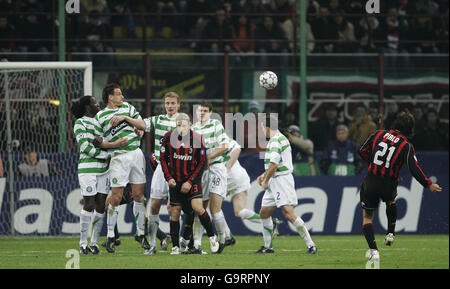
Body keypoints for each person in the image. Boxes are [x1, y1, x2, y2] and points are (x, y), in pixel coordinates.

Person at [358, 110, 442, 263]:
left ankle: (374, 251)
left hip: (371, 180)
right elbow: (414, 168)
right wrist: (428, 184)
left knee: (367, 218)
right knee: (391, 201)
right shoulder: (406, 145)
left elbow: (361, 150)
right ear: (410, 128)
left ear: (396, 123)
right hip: (388, 183)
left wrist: (373, 163)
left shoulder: (378, 134)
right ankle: (390, 233)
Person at [95, 83, 149, 253]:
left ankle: (140, 234)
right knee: (117, 197)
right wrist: (114, 143)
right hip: (118, 157)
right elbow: (98, 141)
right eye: (118, 94)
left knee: (139, 196)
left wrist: (127, 119)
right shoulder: (101, 116)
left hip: (136, 154)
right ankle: (111, 236)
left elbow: (142, 125)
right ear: (110, 97)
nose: (122, 97)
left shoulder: (128, 108)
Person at [71, 95, 128, 255]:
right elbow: (85, 147)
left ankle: (94, 243)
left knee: (101, 205)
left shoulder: (100, 123)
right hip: (87, 169)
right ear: (88, 106)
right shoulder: (80, 122)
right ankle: (83, 243)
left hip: (103, 170)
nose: (98, 105)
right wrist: (106, 154)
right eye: (95, 103)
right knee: (88, 203)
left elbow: (106, 143)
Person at [255, 114, 317, 254]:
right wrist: (264, 175)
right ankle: (268, 247)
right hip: (275, 179)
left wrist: (265, 181)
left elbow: (274, 165)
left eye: (262, 128)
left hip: (281, 180)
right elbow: (273, 165)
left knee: (288, 213)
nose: (262, 131)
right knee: (264, 212)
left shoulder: (277, 140)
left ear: (268, 127)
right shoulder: (276, 139)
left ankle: (311, 245)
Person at [160, 113, 220, 255]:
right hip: (175, 181)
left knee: (198, 208)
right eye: (178, 125)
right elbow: (163, 159)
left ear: (190, 125)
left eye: (184, 125)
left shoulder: (198, 139)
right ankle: (175, 247)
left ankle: (212, 238)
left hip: (192, 180)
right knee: (175, 211)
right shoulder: (168, 137)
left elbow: (201, 163)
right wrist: (168, 178)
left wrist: (190, 181)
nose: (181, 128)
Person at [133, 92, 181, 254]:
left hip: (179, 168)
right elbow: (141, 124)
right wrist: (133, 125)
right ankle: (153, 243)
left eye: (173, 103)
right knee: (154, 205)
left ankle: (181, 242)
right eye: (167, 103)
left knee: (176, 207)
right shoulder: (157, 120)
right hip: (161, 168)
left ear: (178, 104)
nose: (170, 106)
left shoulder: (184, 122)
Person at [223, 138, 283, 243]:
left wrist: (228, 168)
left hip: (231, 179)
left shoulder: (216, 141)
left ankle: (226, 236)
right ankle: (270, 222)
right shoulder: (220, 139)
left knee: (211, 209)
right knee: (239, 212)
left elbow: (237, 149)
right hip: (239, 178)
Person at [191, 101, 230, 253]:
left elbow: (225, 145)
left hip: (216, 168)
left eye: (205, 111)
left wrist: (208, 157)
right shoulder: (193, 129)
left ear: (210, 112)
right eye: (200, 110)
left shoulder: (216, 125)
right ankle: (197, 244)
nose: (202, 113)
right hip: (201, 172)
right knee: (200, 208)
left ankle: (221, 239)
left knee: (215, 208)